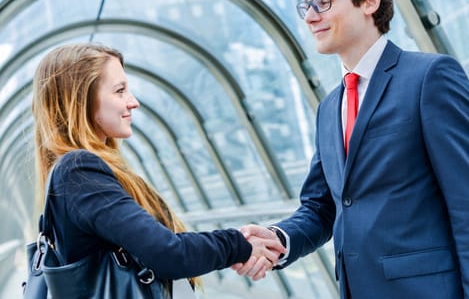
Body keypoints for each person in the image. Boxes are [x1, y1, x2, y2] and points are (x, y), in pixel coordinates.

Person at [233, 0, 469, 297]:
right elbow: (323, 207)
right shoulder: (330, 106)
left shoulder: (429, 78)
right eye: (307, 7)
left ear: (370, 1)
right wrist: (279, 239)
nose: (311, 17)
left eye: (324, 2)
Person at [31, 43, 285, 296]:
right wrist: (238, 245)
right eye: (119, 91)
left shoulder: (77, 172)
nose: (133, 102)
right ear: (80, 101)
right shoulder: (79, 171)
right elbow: (169, 253)